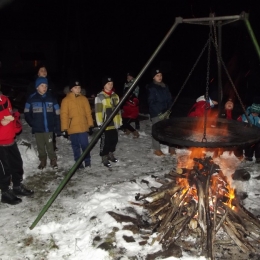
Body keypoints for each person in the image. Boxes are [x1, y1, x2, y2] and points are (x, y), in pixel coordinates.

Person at [0, 92, 34, 205]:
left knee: (16, 164)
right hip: (0, 143)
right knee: (4, 169)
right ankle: (5, 193)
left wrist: (15, 122)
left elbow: (10, 114)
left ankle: (17, 186)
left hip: (10, 139)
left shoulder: (5, 99)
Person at [24, 77, 61, 170]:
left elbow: (57, 113)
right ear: (37, 87)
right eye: (42, 85)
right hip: (38, 128)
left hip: (49, 128)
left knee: (50, 145)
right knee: (40, 146)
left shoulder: (51, 98)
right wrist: (33, 123)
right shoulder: (31, 99)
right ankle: (43, 160)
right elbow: (26, 112)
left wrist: (57, 126)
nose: (44, 87)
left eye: (46, 86)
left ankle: (53, 159)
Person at [60, 80, 94, 169]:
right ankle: (78, 163)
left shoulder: (84, 99)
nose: (78, 89)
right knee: (75, 146)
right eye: (75, 87)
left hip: (83, 127)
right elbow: (64, 115)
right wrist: (64, 129)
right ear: (71, 89)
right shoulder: (66, 100)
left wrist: (90, 125)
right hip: (72, 128)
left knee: (85, 145)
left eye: (79, 87)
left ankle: (87, 161)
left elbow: (88, 113)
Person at [26, 64, 58, 151]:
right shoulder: (33, 85)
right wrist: (32, 119)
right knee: (40, 134)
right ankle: (41, 149)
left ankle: (52, 146)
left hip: (49, 111)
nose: (44, 72)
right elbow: (29, 101)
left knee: (50, 130)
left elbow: (55, 97)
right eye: (41, 70)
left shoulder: (51, 84)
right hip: (38, 114)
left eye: (45, 70)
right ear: (37, 73)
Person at [95, 76, 122, 167]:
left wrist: (119, 121)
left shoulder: (115, 96)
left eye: (111, 84)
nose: (110, 85)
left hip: (114, 122)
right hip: (106, 123)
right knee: (106, 141)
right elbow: (98, 111)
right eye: (108, 84)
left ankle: (111, 154)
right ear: (104, 85)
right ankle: (104, 157)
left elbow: (118, 110)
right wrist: (100, 123)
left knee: (114, 140)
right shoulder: (100, 96)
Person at [147, 68, 175, 156]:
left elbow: (169, 99)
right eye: (157, 76)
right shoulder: (151, 88)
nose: (160, 77)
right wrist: (159, 112)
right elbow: (151, 102)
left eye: (161, 75)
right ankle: (156, 148)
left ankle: (171, 148)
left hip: (166, 112)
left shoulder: (164, 86)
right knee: (157, 131)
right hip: (157, 113)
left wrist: (169, 109)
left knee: (169, 130)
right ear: (153, 77)